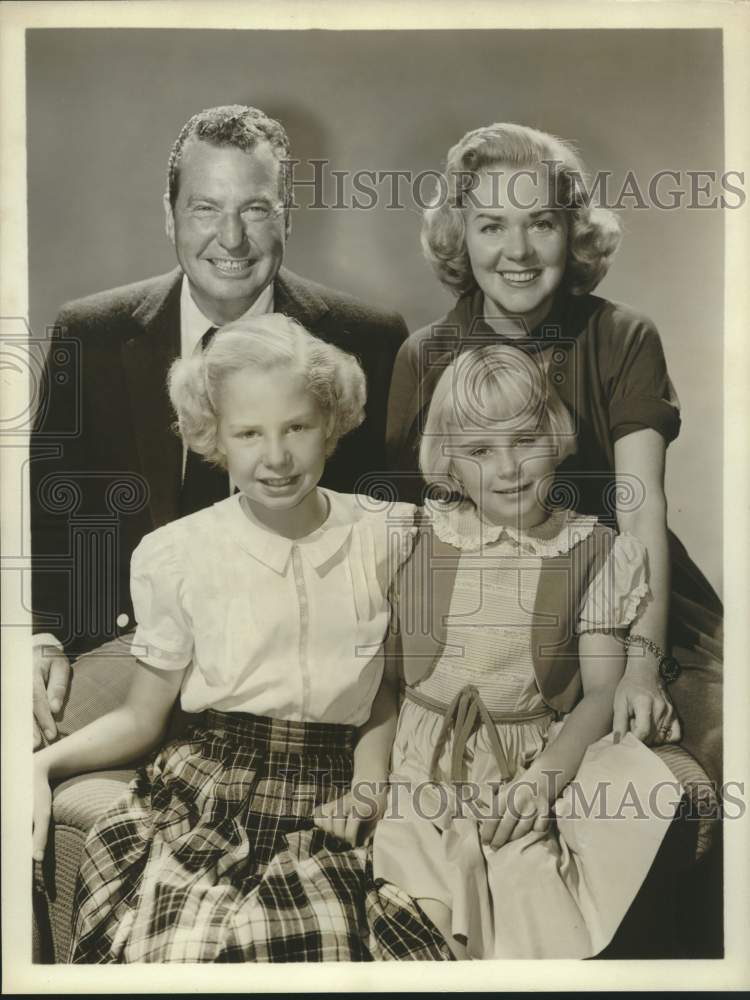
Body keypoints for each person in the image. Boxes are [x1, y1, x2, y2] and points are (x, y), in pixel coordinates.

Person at [32, 315, 449, 962]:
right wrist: (39, 766)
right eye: (249, 433)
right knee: (197, 947)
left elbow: (390, 691)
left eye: (297, 428)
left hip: (339, 785)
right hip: (209, 795)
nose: (276, 457)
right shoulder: (178, 553)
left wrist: (371, 786)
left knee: (344, 943)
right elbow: (142, 717)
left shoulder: (389, 536)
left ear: (331, 423)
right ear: (214, 438)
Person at [31, 104, 407, 748]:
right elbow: (49, 503)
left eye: (255, 209)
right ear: (169, 215)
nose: (230, 239)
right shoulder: (89, 333)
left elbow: (388, 521)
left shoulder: (368, 339)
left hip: (291, 674)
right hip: (131, 652)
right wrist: (40, 634)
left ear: (287, 214)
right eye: (206, 208)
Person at [386, 123, 723, 784]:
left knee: (724, 736)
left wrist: (642, 668)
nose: (518, 250)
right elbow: (406, 537)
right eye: (491, 225)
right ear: (461, 235)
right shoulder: (424, 355)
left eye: (540, 222)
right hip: (497, 618)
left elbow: (641, 506)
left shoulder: (623, 336)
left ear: (573, 232)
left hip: (639, 604)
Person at [372, 346, 680, 959]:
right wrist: (373, 781)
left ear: (557, 435)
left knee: (534, 904)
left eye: (525, 439)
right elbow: (382, 680)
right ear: (449, 464)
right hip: (417, 767)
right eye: (481, 451)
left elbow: (600, 692)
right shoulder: (413, 535)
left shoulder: (592, 550)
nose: (509, 467)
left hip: (523, 765)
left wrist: (543, 780)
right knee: (422, 916)